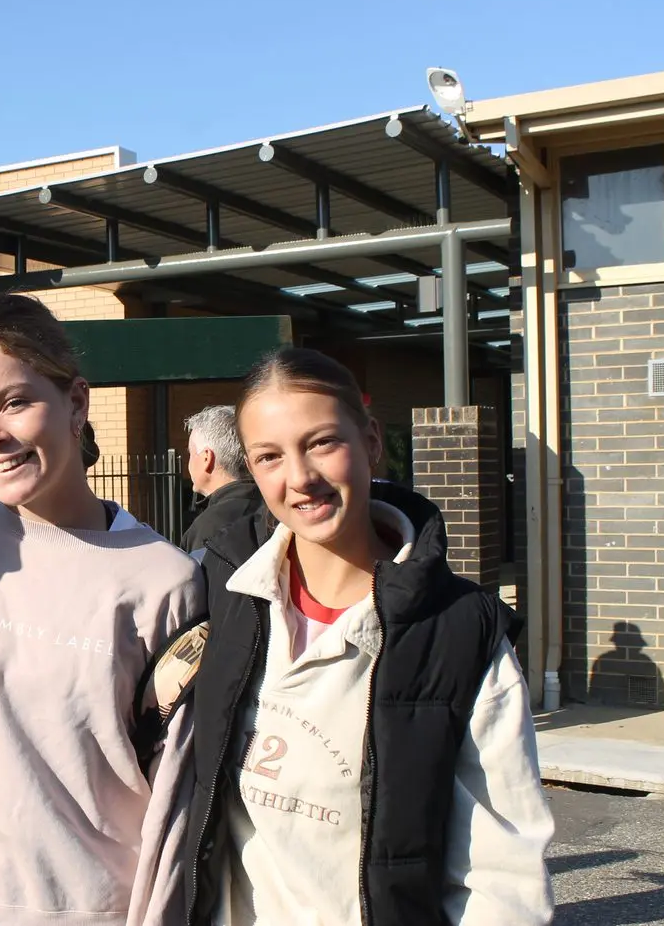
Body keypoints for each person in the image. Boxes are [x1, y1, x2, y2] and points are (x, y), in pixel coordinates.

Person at [184, 347, 553, 925]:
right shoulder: (224, 593)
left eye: (322, 443)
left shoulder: (460, 630)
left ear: (372, 441)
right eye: (269, 456)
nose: (300, 478)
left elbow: (503, 879)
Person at [0, 293, 205, 926]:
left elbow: (179, 797)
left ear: (76, 402)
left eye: (14, 402)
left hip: (98, 911)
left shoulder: (164, 581)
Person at [178, 405, 264, 558]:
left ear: (206, 458)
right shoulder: (274, 510)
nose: (188, 462)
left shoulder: (207, 527)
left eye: (190, 453)